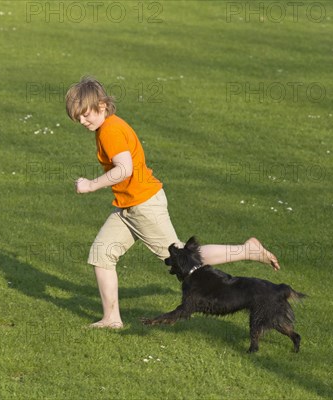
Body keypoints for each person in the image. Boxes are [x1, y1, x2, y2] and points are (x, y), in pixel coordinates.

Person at [66, 76, 280, 329]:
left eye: (85, 114)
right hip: (129, 205)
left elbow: (124, 169)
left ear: (102, 105)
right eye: (77, 117)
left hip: (143, 205)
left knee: (182, 256)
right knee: (102, 254)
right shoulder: (108, 127)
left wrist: (91, 185)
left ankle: (247, 251)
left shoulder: (110, 130)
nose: (82, 121)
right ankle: (112, 319)